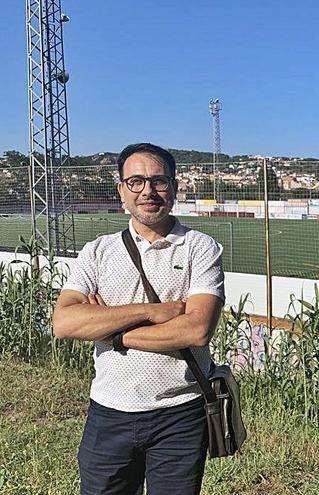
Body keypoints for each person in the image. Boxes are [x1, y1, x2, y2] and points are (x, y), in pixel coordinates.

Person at [52, 143, 225, 495]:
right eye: (135, 181)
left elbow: (196, 329)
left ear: (174, 188)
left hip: (180, 413)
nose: (148, 190)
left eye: (159, 181)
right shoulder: (97, 251)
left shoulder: (200, 248)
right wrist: (148, 312)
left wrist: (112, 332)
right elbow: (65, 323)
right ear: (121, 190)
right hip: (109, 412)